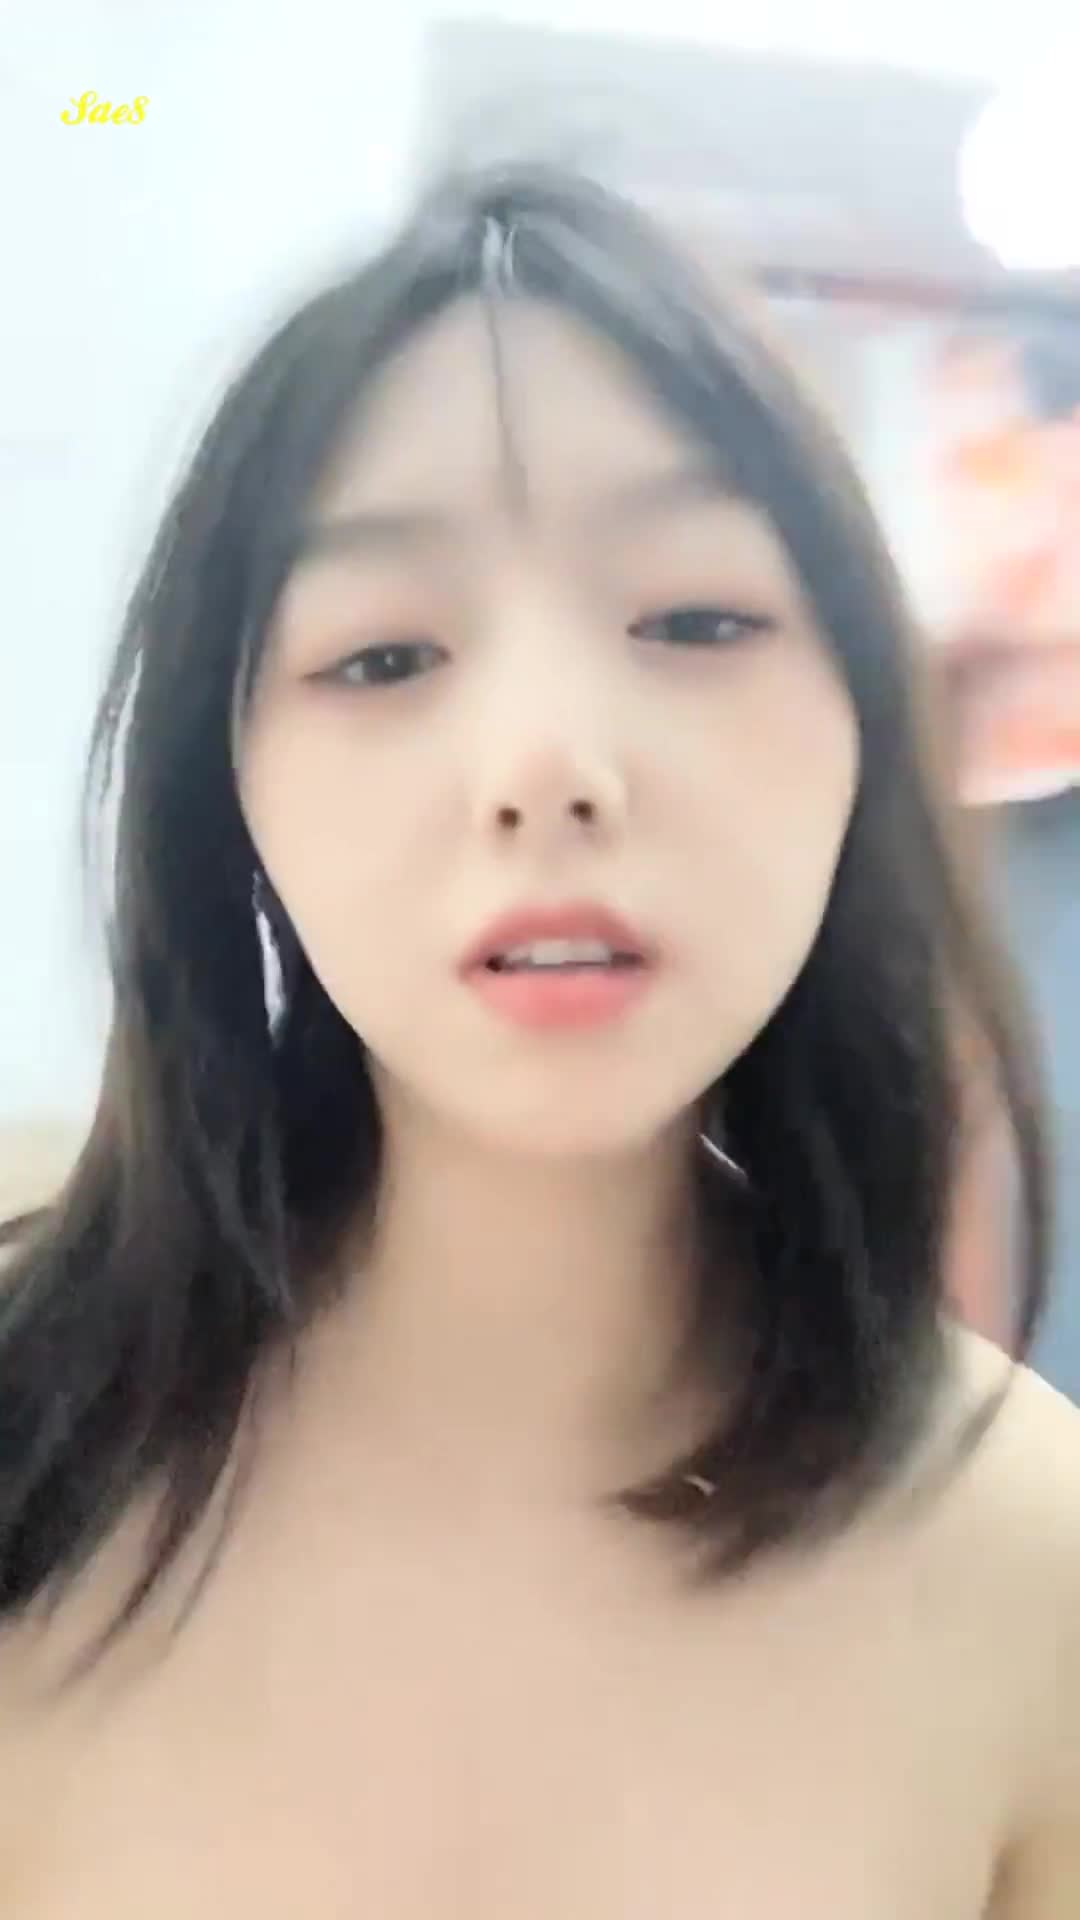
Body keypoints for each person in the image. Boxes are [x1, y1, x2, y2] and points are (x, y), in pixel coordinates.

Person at [0, 164, 1076, 1919]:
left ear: (864, 735)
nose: (548, 759)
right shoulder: (36, 1463)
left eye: (698, 622)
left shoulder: (1035, 1563)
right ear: (230, 787)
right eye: (384, 655)